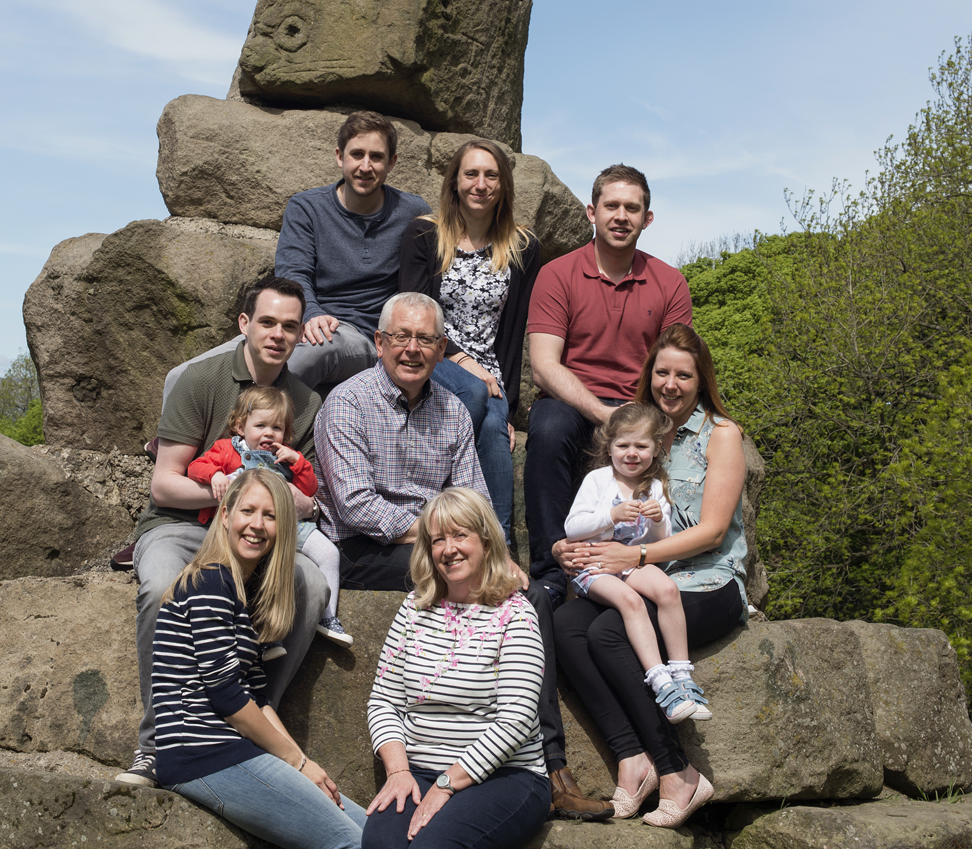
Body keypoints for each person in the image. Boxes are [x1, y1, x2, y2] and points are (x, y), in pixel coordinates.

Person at [315, 290, 611, 822]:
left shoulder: (452, 410)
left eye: (425, 339)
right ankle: (533, 766)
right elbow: (357, 507)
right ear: (380, 343)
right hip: (364, 549)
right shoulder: (346, 403)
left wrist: (492, 553)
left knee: (530, 594)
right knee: (482, 586)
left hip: (441, 544)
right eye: (400, 337)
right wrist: (445, 541)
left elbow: (474, 499)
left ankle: (551, 770)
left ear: (441, 347)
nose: (412, 349)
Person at [151, 466, 400, 849]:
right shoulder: (210, 582)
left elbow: (260, 696)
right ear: (225, 514)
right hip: (201, 752)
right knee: (346, 845)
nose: (258, 525)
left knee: (371, 831)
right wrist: (299, 762)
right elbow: (227, 699)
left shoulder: (242, 594)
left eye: (271, 516)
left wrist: (302, 762)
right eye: (249, 512)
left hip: (231, 746)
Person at [361, 488, 552, 849]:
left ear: (485, 539)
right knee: (381, 844)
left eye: (459, 535)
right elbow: (382, 700)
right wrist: (397, 769)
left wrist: (448, 782)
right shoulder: (413, 610)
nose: (448, 549)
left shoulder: (515, 613)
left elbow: (519, 713)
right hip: (415, 769)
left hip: (505, 777)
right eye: (437, 538)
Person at [117, 273, 329, 788]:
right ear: (244, 324)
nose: (277, 334)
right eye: (267, 322)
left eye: (289, 326)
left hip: (258, 533)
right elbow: (165, 484)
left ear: (301, 333)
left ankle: (257, 726)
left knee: (312, 586)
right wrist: (223, 491)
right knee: (161, 585)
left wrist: (278, 497)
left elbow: (309, 499)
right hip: (183, 524)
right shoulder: (201, 381)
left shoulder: (306, 402)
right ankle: (158, 744)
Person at [552, 325, 750, 828]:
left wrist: (635, 559)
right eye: (662, 372)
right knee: (567, 626)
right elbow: (599, 510)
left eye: (684, 374)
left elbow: (712, 531)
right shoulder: (634, 434)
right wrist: (568, 548)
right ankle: (631, 759)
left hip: (708, 581)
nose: (671, 383)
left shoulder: (721, 435)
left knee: (607, 632)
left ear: (701, 379)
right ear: (649, 375)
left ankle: (676, 771)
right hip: (643, 575)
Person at [162, 112, 430, 400]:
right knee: (181, 376)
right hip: (301, 322)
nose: (365, 166)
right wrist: (312, 314)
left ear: (391, 163)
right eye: (357, 154)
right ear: (340, 157)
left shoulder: (412, 212)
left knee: (301, 360)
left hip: (362, 334)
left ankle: (236, 439)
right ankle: (171, 443)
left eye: (376, 157)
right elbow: (293, 271)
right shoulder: (306, 208)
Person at [524, 165, 692, 605]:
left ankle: (657, 560)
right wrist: (603, 414)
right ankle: (551, 570)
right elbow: (543, 367)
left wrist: (651, 420)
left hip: (641, 405)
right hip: (575, 401)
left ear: (647, 218)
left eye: (632, 208)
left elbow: (675, 367)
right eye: (611, 206)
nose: (621, 216)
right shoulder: (557, 274)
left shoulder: (669, 282)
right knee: (547, 428)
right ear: (591, 212)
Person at [398, 138, 541, 538]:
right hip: (429, 356)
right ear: (455, 182)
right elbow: (414, 313)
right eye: (471, 174)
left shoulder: (523, 246)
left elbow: (513, 336)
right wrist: (461, 360)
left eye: (491, 175)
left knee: (495, 424)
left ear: (503, 184)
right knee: (476, 395)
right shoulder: (424, 234)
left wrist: (509, 407)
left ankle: (500, 544)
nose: (481, 184)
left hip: (489, 371)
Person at [563, 401, 710, 727]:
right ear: (609, 446)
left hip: (633, 564)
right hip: (596, 566)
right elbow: (572, 528)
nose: (632, 453)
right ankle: (660, 682)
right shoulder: (598, 481)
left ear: (656, 449)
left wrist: (659, 520)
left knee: (668, 589)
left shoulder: (655, 487)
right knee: (631, 602)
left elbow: (659, 545)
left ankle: (682, 677)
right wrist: (610, 516)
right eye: (623, 445)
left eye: (641, 446)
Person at [186, 384, 351, 648]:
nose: (268, 433)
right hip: (247, 529)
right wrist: (214, 475)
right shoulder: (227, 449)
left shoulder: (284, 456)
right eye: (260, 425)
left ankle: (327, 616)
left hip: (288, 525)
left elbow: (309, 489)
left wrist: (296, 460)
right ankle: (262, 634)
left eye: (277, 428)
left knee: (329, 554)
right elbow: (196, 466)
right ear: (241, 427)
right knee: (257, 571)